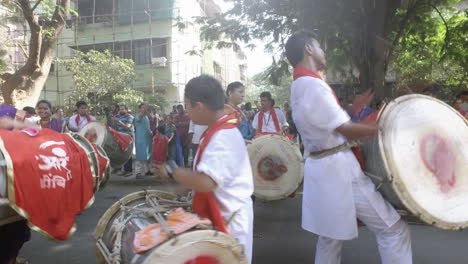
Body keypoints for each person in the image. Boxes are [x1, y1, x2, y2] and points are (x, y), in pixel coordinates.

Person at [285, 31, 412, 264]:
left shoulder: (299, 85)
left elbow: (324, 124)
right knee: (393, 230)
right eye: (319, 46)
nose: (324, 52)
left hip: (321, 168)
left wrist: (352, 110)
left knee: (329, 238)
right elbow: (345, 130)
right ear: (309, 49)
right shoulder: (314, 85)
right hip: (340, 170)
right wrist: (386, 126)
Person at [160, 75, 254, 262]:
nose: (187, 112)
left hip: (230, 222)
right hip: (222, 216)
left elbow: (206, 182)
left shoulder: (222, 137)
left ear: (200, 106)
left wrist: (174, 172)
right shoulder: (216, 131)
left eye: (187, 106)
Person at [134, 103, 153, 178]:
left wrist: (150, 133)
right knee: (140, 156)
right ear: (139, 109)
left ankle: (147, 170)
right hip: (140, 139)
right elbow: (140, 116)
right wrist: (145, 110)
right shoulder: (138, 116)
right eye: (142, 107)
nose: (144, 109)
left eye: (145, 107)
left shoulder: (146, 117)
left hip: (147, 139)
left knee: (147, 156)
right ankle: (138, 172)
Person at [114, 105, 134, 176]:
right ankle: (123, 170)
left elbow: (127, 127)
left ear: (126, 110)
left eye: (122, 109)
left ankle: (129, 170)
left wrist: (118, 121)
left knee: (127, 153)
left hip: (127, 137)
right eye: (120, 109)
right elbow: (117, 127)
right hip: (120, 137)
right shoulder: (120, 117)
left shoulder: (130, 117)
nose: (121, 111)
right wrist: (115, 121)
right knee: (121, 154)